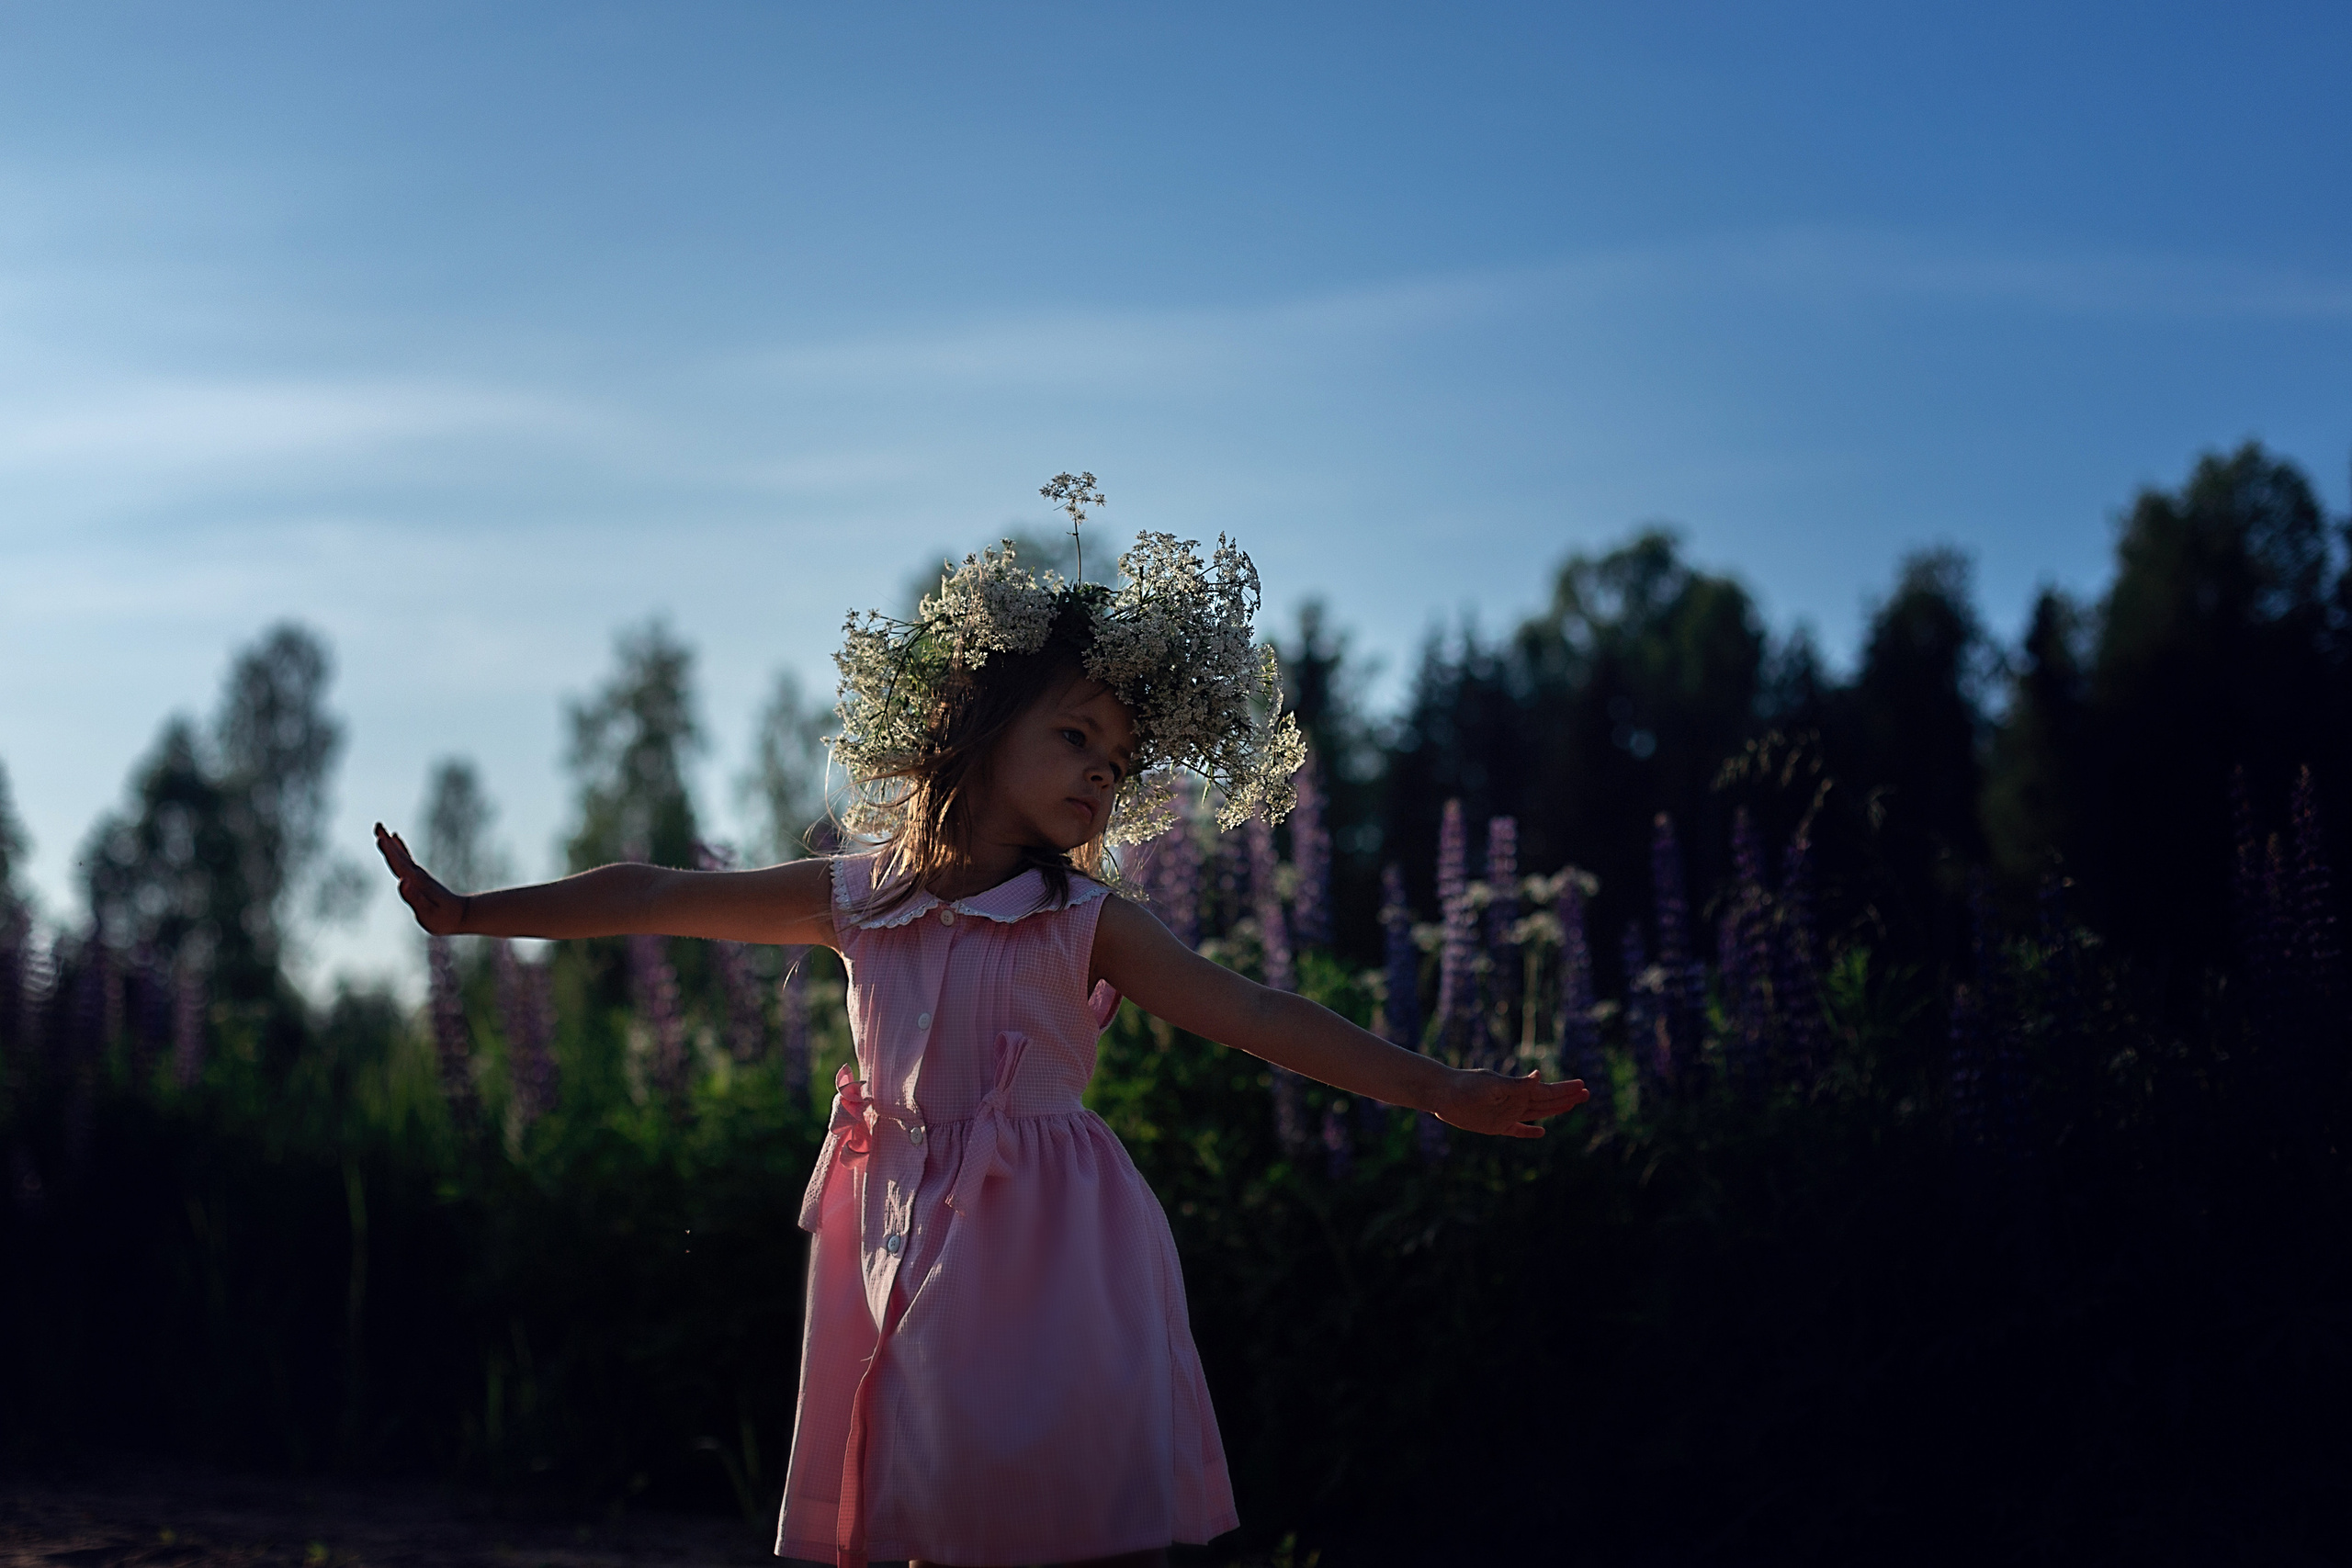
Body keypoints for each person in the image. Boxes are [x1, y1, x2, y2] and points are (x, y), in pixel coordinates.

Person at [376, 511, 1588, 1568]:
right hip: (901, 1237)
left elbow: (1261, 1014)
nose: (1102, 776)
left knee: (1097, 1532)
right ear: (977, 725)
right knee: (930, 1519)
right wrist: (471, 914)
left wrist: (1437, 1089)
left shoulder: (1088, 922)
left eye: (1119, 761)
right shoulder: (856, 900)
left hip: (1064, 1252)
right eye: (1074, 738)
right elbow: (649, 896)